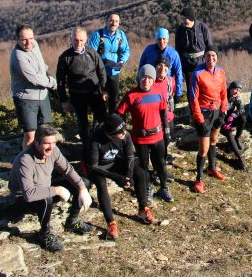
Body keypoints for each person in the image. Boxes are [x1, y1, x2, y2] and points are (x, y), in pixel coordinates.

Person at [9, 124, 94, 252]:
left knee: (83, 182)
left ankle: (72, 221)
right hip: (22, 200)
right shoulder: (25, 160)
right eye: (47, 143)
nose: (51, 147)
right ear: (36, 143)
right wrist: (58, 190)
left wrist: (82, 189)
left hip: (44, 187)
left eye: (54, 142)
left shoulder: (53, 150)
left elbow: (67, 170)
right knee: (46, 198)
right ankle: (45, 234)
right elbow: (29, 194)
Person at [87, 114, 155, 240]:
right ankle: (111, 223)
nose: (124, 133)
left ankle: (143, 209)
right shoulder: (95, 140)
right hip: (98, 167)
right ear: (110, 134)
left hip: (113, 161)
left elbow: (130, 156)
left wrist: (128, 176)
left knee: (139, 173)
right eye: (120, 132)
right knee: (101, 186)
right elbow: (93, 166)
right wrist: (116, 177)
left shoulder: (125, 135)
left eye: (124, 129)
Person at [116, 65, 173, 203]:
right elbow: (119, 114)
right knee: (143, 166)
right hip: (140, 138)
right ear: (139, 78)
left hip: (158, 136)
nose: (146, 81)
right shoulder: (131, 95)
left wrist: (167, 131)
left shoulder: (159, 92)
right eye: (143, 78)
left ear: (153, 80)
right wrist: (123, 131)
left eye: (149, 78)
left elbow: (163, 113)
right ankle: (147, 188)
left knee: (160, 164)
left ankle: (164, 188)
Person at [56, 27, 107, 157]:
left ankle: (100, 145)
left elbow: (101, 72)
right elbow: (60, 81)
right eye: (76, 40)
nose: (78, 43)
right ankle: (87, 149)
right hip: (77, 95)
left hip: (94, 92)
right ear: (71, 39)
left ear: (86, 40)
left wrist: (104, 90)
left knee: (100, 119)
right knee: (82, 123)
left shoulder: (92, 53)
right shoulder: (65, 57)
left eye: (81, 40)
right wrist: (63, 100)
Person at [188, 45, 228, 193]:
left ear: (217, 57)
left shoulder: (221, 72)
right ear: (204, 57)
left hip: (217, 111)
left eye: (214, 56)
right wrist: (200, 120)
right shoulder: (197, 73)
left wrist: (223, 111)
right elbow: (193, 99)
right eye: (208, 56)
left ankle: (212, 168)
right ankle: (198, 179)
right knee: (203, 148)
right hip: (203, 113)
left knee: (214, 140)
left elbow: (224, 93)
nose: (211, 58)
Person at [10, 24, 57, 148]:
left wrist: (48, 73)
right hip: (26, 99)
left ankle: (43, 161)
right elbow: (33, 78)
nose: (28, 42)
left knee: (45, 132)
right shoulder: (18, 56)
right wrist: (52, 82)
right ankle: (27, 164)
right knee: (30, 136)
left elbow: (42, 64)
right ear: (18, 40)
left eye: (31, 38)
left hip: (42, 97)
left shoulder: (35, 46)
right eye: (24, 39)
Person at [88, 13, 130, 113]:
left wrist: (122, 61)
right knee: (99, 100)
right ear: (106, 21)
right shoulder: (98, 35)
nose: (113, 23)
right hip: (99, 73)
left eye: (116, 21)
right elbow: (91, 53)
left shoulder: (121, 36)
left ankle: (111, 123)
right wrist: (103, 62)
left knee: (113, 100)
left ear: (119, 23)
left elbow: (126, 51)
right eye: (111, 20)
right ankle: (98, 123)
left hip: (114, 73)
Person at [139, 27, 183, 103]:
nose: (162, 42)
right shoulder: (148, 50)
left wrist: (178, 93)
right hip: (150, 83)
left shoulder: (173, 54)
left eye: (164, 39)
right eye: (159, 39)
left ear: (167, 39)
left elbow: (178, 73)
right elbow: (141, 67)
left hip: (166, 85)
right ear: (156, 39)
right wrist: (139, 83)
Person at [175, 7, 213, 93]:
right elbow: (178, 51)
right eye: (182, 19)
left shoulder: (202, 27)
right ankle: (192, 106)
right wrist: (180, 68)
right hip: (187, 65)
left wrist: (210, 63)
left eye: (185, 19)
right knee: (191, 90)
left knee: (205, 88)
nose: (183, 21)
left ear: (191, 18)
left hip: (202, 63)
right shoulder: (180, 30)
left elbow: (210, 47)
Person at [213, 80, 247, 170]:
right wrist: (224, 123)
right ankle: (239, 157)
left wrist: (233, 115)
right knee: (228, 132)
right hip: (219, 121)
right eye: (235, 89)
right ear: (230, 88)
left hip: (229, 119)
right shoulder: (223, 95)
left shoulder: (237, 97)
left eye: (239, 90)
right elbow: (216, 112)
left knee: (243, 118)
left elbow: (242, 109)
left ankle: (238, 137)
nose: (237, 92)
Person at [153, 56, 176, 163]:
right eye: (159, 65)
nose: (163, 68)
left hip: (169, 118)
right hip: (156, 120)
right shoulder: (150, 82)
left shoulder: (170, 81)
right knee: (158, 145)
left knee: (167, 141)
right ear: (155, 67)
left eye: (166, 66)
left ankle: (163, 161)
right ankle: (158, 165)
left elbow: (172, 94)